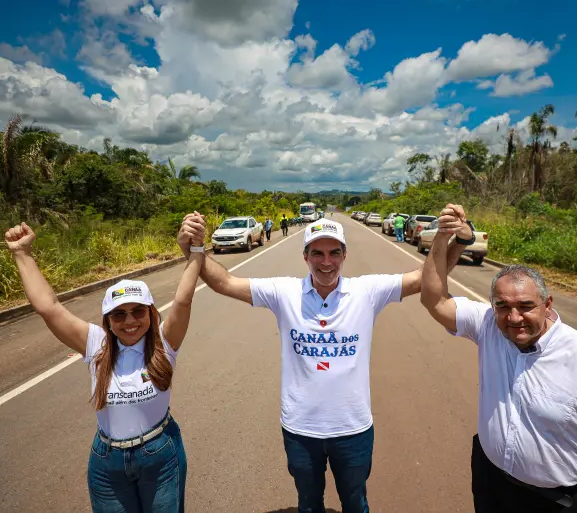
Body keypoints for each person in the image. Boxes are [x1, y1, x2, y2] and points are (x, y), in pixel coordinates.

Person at [176, 216, 461, 513]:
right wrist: (195, 250)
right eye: (318, 253)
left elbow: (425, 277)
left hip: (353, 429)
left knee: (355, 503)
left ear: (344, 255)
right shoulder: (283, 292)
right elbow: (223, 282)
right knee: (309, 505)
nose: (326, 262)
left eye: (334, 252)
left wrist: (459, 241)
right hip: (301, 430)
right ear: (305, 257)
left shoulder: (366, 291)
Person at [420, 204, 577, 513]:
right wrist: (446, 236)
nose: (514, 317)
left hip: (554, 501)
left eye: (526, 305)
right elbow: (432, 298)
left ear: (547, 304)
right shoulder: (489, 324)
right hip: (491, 480)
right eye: (502, 305)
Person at [5, 214, 207, 513]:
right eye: (119, 314)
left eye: (138, 311)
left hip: (160, 454)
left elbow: (183, 300)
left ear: (151, 314)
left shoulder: (164, 343)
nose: (129, 321)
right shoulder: (96, 345)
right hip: (106, 462)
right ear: (107, 321)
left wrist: (197, 251)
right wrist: (22, 253)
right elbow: (48, 308)